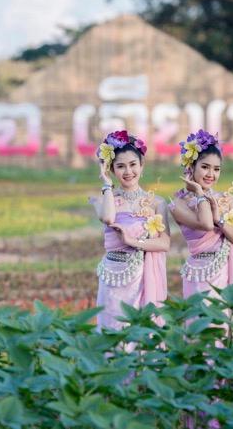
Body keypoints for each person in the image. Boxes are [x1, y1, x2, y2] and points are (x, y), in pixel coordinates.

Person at [90, 130, 170, 330]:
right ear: (112, 169)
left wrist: (133, 242)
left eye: (133, 164)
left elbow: (165, 243)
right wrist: (106, 184)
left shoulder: (156, 203)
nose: (128, 171)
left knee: (140, 334)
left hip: (142, 278)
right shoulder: (106, 200)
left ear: (142, 166)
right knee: (111, 330)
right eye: (120, 166)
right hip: (112, 278)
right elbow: (108, 218)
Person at [169, 130, 233, 317]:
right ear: (191, 167)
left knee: (224, 329)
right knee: (202, 329)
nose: (211, 174)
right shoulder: (177, 203)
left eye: (217, 169)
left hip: (225, 272)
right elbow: (205, 224)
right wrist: (199, 193)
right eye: (205, 167)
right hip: (198, 275)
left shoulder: (228, 199)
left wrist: (220, 221)